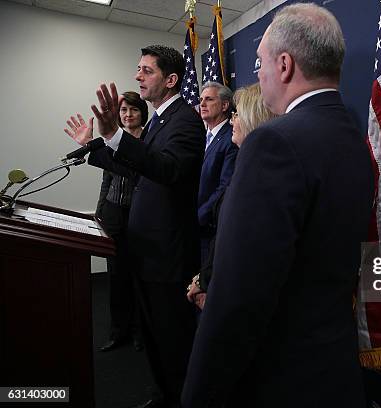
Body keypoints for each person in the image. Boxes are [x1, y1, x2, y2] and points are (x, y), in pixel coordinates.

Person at [181, 4, 374, 408]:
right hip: (332, 367)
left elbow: (239, 294)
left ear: (284, 65)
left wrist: (197, 394)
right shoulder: (354, 138)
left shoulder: (274, 143)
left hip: (278, 376)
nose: (258, 75)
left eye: (259, 62)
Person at [65, 45, 205, 408]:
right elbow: (138, 169)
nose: (138, 76)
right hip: (148, 251)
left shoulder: (186, 121)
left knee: (174, 340)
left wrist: (116, 135)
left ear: (171, 80)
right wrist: (96, 146)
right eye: (138, 68)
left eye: (147, 70)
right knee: (156, 337)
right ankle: (164, 394)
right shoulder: (159, 119)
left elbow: (168, 169)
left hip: (168, 255)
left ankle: (182, 398)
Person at [186, 83, 276, 310]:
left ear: (253, 120)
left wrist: (206, 281)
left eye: (237, 114)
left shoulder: (259, 177)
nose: (233, 120)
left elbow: (237, 236)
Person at [91, 91, 147, 353]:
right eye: (123, 111)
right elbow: (107, 179)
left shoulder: (149, 139)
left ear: (141, 113)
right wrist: (100, 211)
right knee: (116, 277)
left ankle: (139, 332)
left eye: (133, 110)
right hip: (113, 213)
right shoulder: (111, 141)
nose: (128, 115)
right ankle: (118, 331)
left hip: (138, 216)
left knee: (138, 276)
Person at [197, 81, 238, 266]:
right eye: (201, 99)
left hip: (210, 227)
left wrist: (199, 216)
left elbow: (225, 186)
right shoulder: (200, 136)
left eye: (209, 99)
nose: (202, 104)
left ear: (224, 105)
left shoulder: (231, 138)